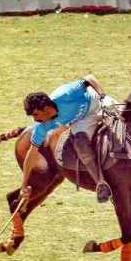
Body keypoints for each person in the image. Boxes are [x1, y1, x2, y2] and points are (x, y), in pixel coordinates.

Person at [20, 76, 116, 204]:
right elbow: (31, 154)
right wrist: (24, 185)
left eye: (36, 115)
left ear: (47, 109)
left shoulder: (66, 93)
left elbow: (90, 78)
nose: (35, 120)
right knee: (81, 144)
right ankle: (101, 183)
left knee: (130, 117)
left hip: (96, 103)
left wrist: (103, 96)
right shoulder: (41, 126)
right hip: (82, 120)